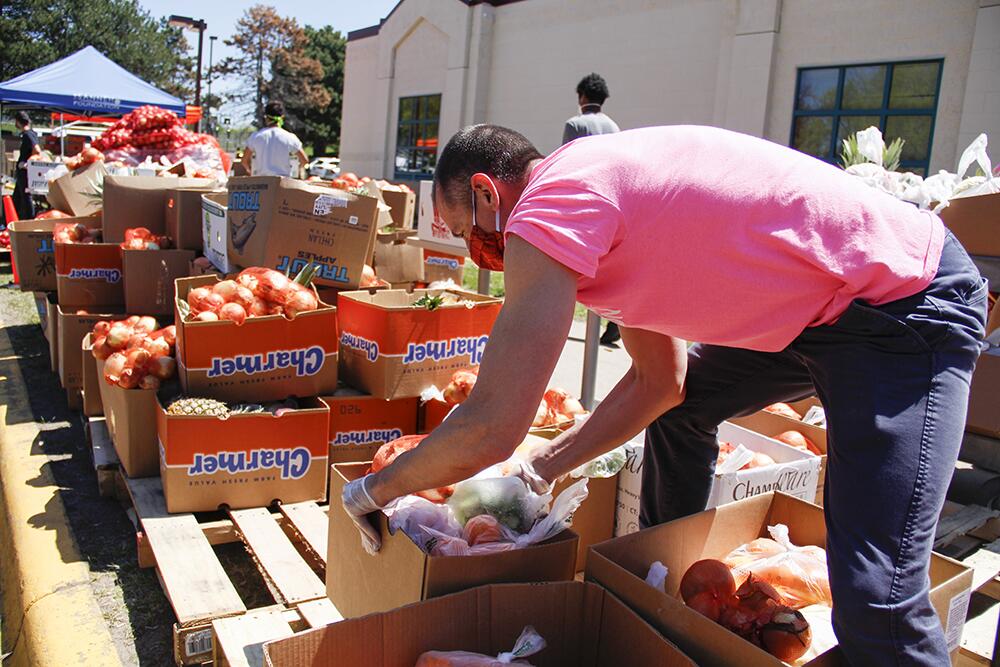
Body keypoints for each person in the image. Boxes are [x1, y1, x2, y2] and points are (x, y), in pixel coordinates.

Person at [342, 124, 987, 665]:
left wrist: (372, 491)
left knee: (878, 598)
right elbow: (662, 384)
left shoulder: (553, 202)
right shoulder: (598, 204)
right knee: (690, 407)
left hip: (903, 305)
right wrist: (542, 469)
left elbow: (491, 425)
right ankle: (661, 592)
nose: (478, 254)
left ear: (488, 192)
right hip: (820, 315)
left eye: (468, 232)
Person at [562, 73, 623, 345]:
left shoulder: (575, 123)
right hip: (612, 200)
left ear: (582, 97)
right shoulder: (615, 126)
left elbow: (568, 161)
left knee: (574, 261)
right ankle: (614, 319)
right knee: (609, 261)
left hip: (584, 199)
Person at [241, 101, 308, 177]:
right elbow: (304, 160)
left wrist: (249, 171)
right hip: (282, 182)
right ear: (282, 117)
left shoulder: (256, 136)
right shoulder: (289, 137)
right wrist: (297, 170)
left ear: (266, 117)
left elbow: (244, 161)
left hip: (262, 183)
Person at [11, 111, 41, 220]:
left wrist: (27, 164)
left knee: (25, 197)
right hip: (23, 172)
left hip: (25, 172)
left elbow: (37, 151)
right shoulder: (31, 133)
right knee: (17, 198)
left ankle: (29, 220)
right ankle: (11, 220)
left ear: (18, 122)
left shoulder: (28, 134)